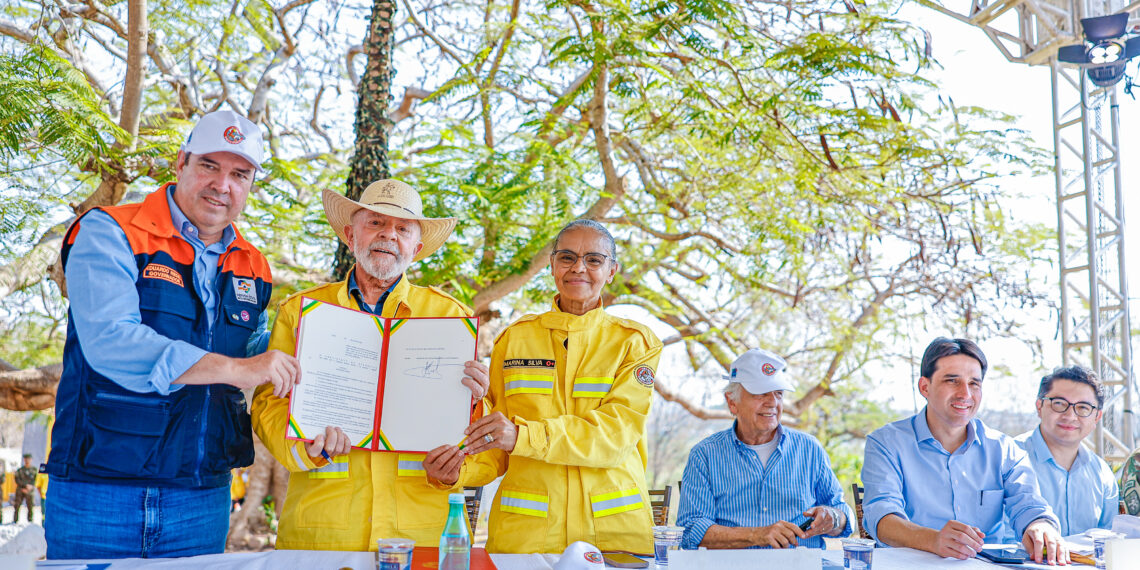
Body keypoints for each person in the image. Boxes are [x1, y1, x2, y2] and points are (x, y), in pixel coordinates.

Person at [44, 110, 300, 558]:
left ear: (250, 185)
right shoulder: (109, 230)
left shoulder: (253, 264)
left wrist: (326, 358)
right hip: (99, 492)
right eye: (209, 166)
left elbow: (255, 350)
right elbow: (111, 341)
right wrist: (239, 369)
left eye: (239, 174)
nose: (222, 185)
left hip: (203, 497)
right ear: (181, 163)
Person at [250, 180, 490, 551]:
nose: (388, 235)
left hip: (422, 536)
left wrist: (473, 410)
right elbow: (268, 403)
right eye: (376, 223)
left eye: (403, 229)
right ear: (350, 235)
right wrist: (306, 449)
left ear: (417, 248)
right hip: (322, 534)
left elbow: (480, 431)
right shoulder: (299, 312)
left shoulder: (452, 318)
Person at [425, 219, 663, 554]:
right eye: (567, 257)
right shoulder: (514, 339)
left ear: (612, 271)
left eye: (594, 260)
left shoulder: (635, 343)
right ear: (551, 265)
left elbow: (615, 436)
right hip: (526, 536)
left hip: (614, 535)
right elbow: (494, 443)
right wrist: (455, 471)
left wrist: (523, 437)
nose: (578, 267)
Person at [861, 337, 1068, 565]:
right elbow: (881, 517)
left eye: (974, 384)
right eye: (952, 381)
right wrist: (933, 540)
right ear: (924, 387)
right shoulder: (886, 443)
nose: (965, 394)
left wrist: (1039, 525)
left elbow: (1029, 505)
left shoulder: (1005, 450)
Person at [675, 348, 853, 549]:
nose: (773, 402)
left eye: (779, 394)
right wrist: (756, 535)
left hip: (801, 562)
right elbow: (690, 530)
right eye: (760, 394)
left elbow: (843, 515)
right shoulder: (705, 455)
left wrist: (833, 518)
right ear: (732, 403)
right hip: (733, 564)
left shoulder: (810, 449)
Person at [1012, 366, 1117, 536]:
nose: (1070, 416)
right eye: (1059, 404)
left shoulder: (1103, 474)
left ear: (1097, 417)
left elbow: (1108, 540)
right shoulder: (1008, 459)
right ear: (1039, 406)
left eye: (1083, 407)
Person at [13, 454, 38, 523]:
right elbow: (17, 479)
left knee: (30, 506)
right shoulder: (20, 470)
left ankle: (30, 521)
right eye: (26, 459)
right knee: (17, 506)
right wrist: (23, 487)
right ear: (24, 460)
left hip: (30, 491)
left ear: (31, 460)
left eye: (28, 459)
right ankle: (15, 520)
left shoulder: (34, 470)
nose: (27, 460)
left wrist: (31, 486)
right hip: (20, 490)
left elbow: (36, 480)